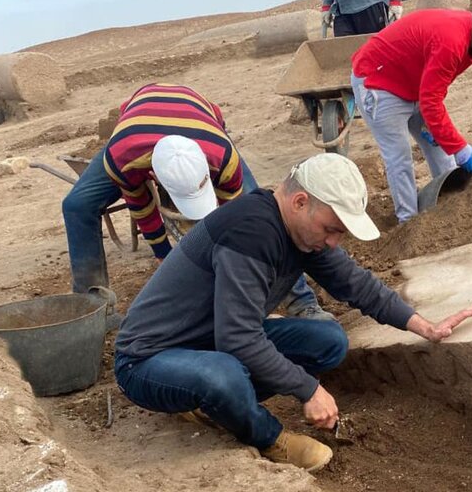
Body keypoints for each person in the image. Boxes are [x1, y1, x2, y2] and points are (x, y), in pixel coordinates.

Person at [114, 153, 472, 471]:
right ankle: (269, 438)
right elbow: (238, 338)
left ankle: (214, 404)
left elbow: (355, 283)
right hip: (148, 361)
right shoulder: (250, 233)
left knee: (328, 341)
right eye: (331, 229)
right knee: (223, 374)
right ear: (300, 202)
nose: (333, 242)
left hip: (208, 344)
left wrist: (424, 326)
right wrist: (309, 390)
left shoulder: (301, 232)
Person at [61, 82, 329, 321]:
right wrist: (163, 255)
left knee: (261, 212)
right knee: (76, 206)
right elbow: (141, 206)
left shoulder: (223, 157)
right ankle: (93, 311)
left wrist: (230, 265)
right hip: (136, 129)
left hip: (202, 119)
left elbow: (237, 218)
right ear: (152, 175)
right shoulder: (122, 158)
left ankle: (301, 301)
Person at [350, 0, 472, 223]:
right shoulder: (452, 41)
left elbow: (433, 93)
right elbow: (431, 102)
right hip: (377, 81)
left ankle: (451, 208)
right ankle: (409, 223)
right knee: (399, 157)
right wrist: (460, 146)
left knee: (442, 150)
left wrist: (444, 137)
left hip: (412, 85)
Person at [320, 0, 403, 37]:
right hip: (341, 10)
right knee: (345, 54)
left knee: (376, 52)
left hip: (370, 4)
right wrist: (326, 6)